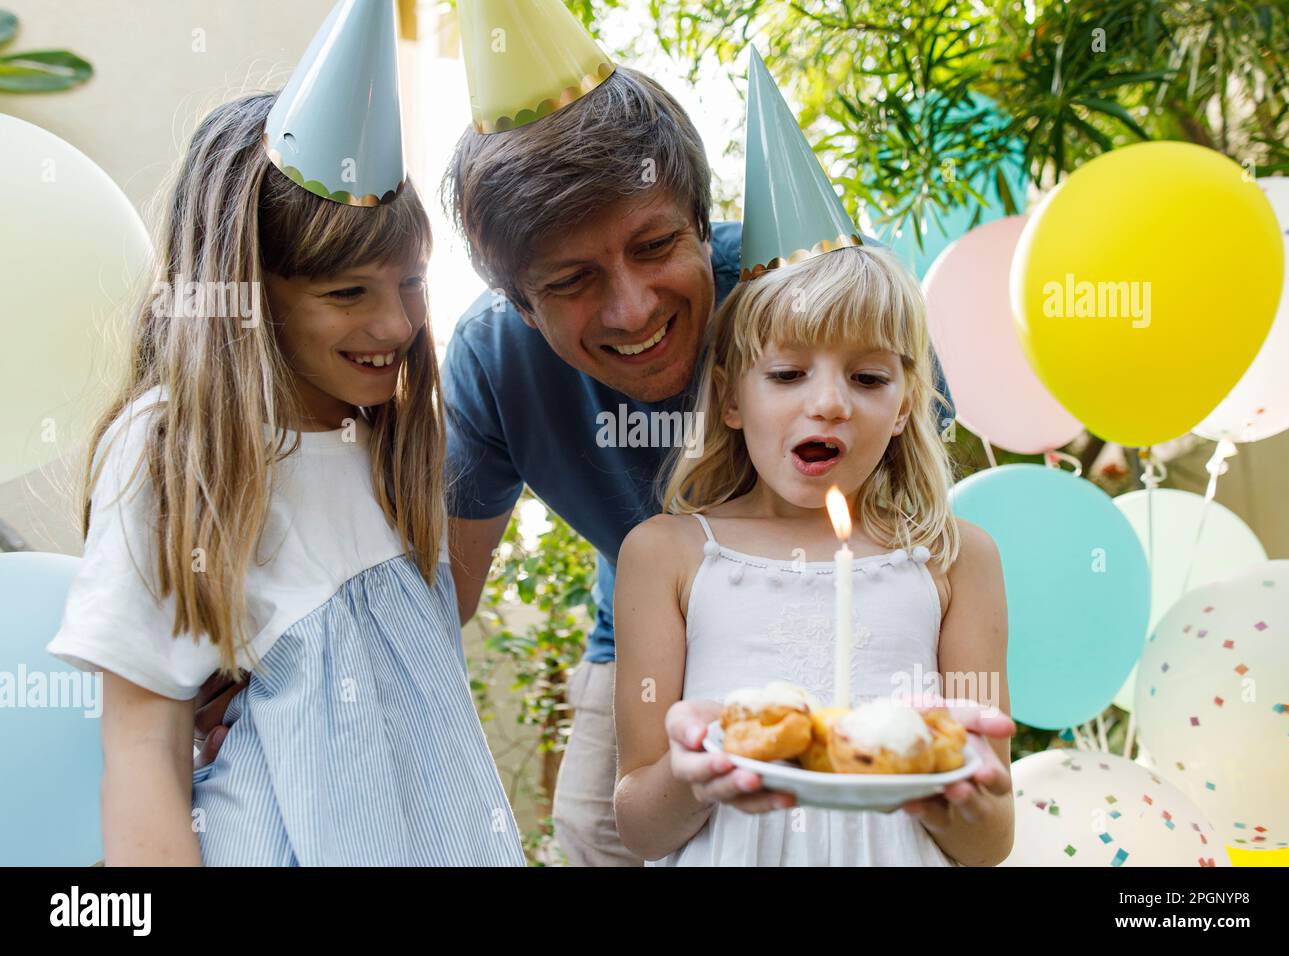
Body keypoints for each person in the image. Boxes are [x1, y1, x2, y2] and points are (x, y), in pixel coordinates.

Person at [438, 11, 960, 865]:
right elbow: (440, 596)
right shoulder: (495, 362)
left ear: (701, 221)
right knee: (600, 834)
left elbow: (924, 516)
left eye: (656, 246)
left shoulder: (805, 307)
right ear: (520, 304)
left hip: (848, 621)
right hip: (643, 635)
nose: (633, 309)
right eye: (569, 281)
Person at [46, 0, 523, 867]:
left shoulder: (387, 436)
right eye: (348, 293)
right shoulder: (175, 452)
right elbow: (142, 749)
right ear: (250, 290)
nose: (397, 324)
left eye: (412, 280)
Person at [611, 241, 1014, 866]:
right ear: (732, 400)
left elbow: (991, 840)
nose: (829, 402)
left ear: (905, 404)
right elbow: (639, 826)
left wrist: (951, 794)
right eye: (787, 373)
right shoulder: (666, 554)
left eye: (869, 377)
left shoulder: (956, 559)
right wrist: (694, 775)